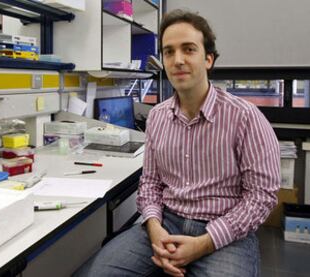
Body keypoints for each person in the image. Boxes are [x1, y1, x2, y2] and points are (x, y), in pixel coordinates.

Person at [73, 9, 280, 277]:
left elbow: (261, 196)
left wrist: (204, 243)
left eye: (189, 49)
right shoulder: (157, 117)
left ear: (208, 59)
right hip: (166, 223)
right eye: (169, 52)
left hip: (225, 231)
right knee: (100, 273)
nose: (177, 60)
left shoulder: (245, 117)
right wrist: (155, 227)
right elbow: (150, 183)